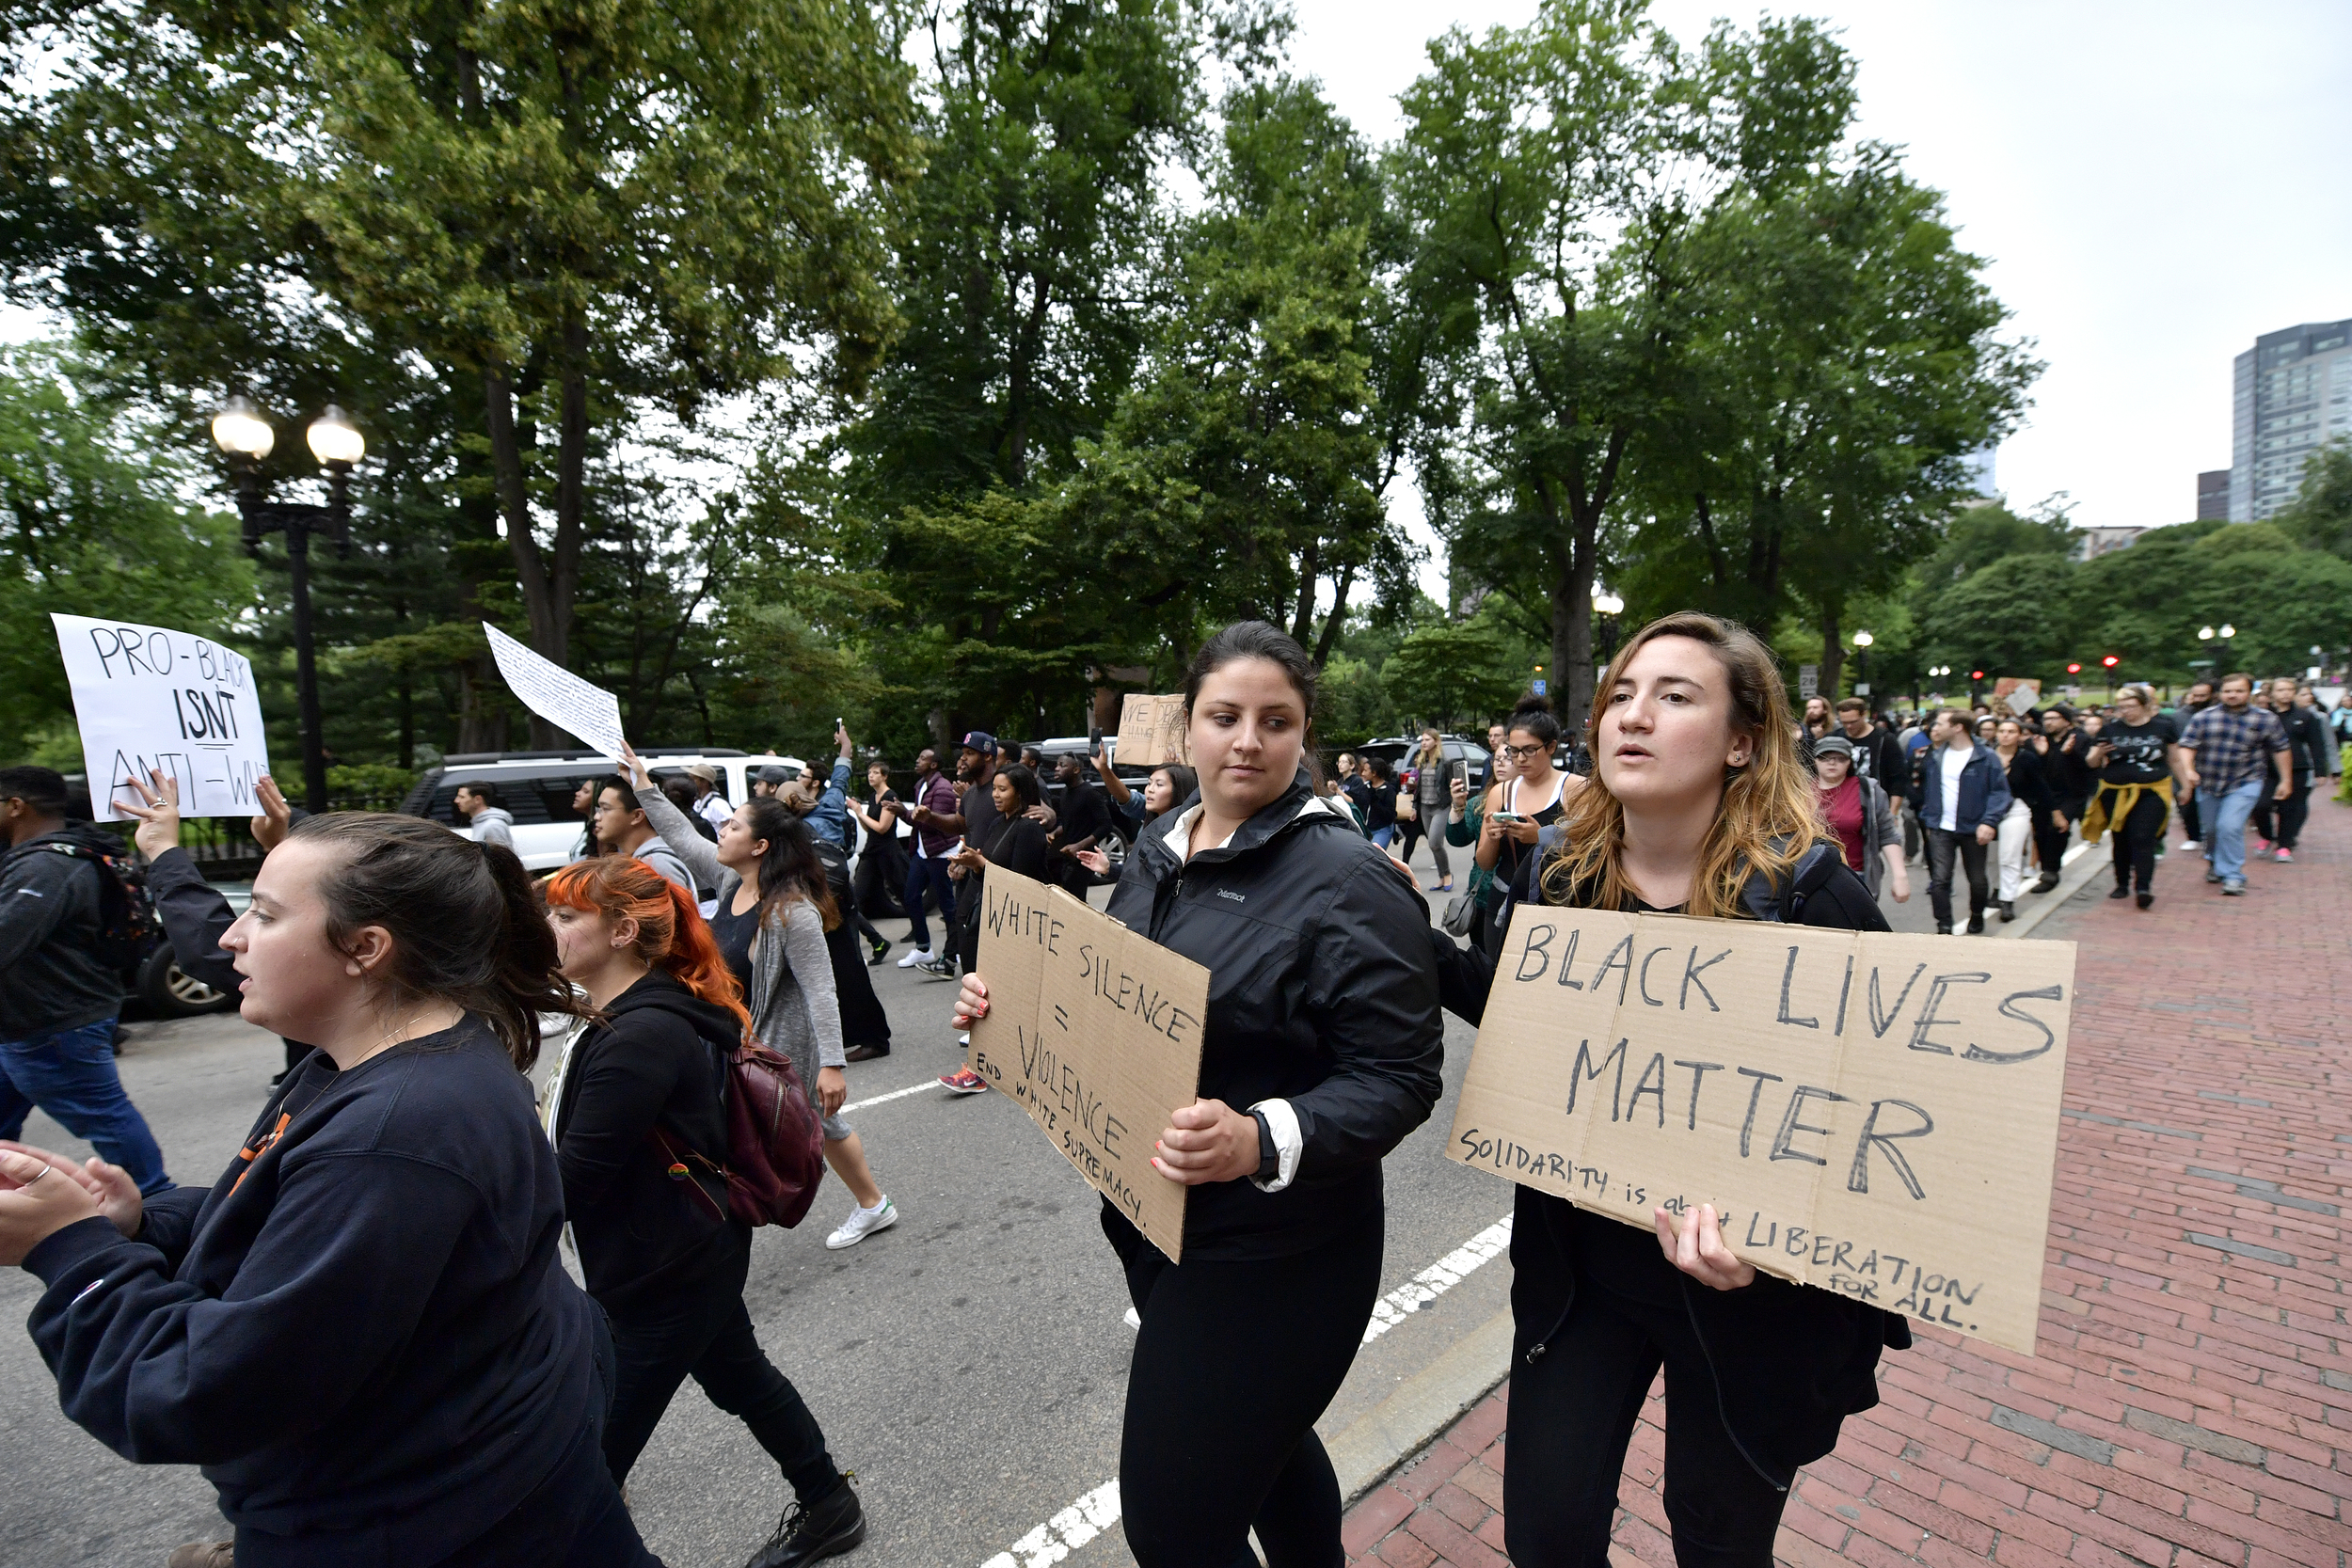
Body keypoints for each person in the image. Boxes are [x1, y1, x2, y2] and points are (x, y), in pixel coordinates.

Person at [0, 813, 661, 1568]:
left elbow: (207, 1391)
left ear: (366, 948)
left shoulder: (398, 1130)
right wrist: (136, 1220)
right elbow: (281, 1223)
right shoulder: (385, 1063)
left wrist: (71, 1250)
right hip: (485, 1484)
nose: (230, 937)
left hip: (438, 1521)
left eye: (265, 913)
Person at [953, 622, 1443, 1568]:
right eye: (1224, 716)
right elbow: (1121, 991)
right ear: (1187, 727)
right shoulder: (1156, 846)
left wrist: (1261, 1136)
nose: (1247, 740)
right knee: (1266, 1448)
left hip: (1280, 1250)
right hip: (1153, 1216)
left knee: (1175, 1528)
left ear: (1305, 732)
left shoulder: (1346, 877)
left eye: (1276, 719)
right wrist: (1005, 1001)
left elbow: (1401, 1074)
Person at [1419, 611, 1902, 1568]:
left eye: (1675, 696)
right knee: (1547, 1536)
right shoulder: (1558, 874)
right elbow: (1525, 1019)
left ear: (1741, 741)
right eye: (1621, 696)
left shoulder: (1814, 898)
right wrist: (1419, 943)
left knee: (1717, 1543)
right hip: (1582, 1277)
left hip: (1748, 1303)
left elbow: (1872, 1134)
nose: (1632, 716)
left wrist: (1770, 1251)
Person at [542, 856, 866, 1568]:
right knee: (740, 1374)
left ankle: (829, 1504)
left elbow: (567, 1184)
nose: (549, 927)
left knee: (582, 1467)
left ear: (624, 931)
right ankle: (830, 1503)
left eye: (566, 916)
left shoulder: (640, 1034)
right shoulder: (624, 1014)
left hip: (669, 1267)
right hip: (680, 1248)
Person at [627, 752, 901, 1253]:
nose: (721, 832)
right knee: (806, 1124)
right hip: (734, 1034)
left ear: (758, 846)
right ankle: (867, 1203)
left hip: (780, 1045)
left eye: (731, 827)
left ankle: (863, 1204)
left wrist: (833, 1065)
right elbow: (683, 838)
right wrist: (643, 785)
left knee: (815, 1122)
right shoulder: (732, 879)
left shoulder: (792, 912)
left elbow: (822, 989)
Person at [0, 767, 174, 1198]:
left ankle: (157, 1202)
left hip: (53, 1023)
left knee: (105, 1117)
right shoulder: (47, 858)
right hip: (28, 1022)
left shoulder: (47, 866)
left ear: (16, 806)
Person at [934, 764, 1054, 1097]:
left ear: (1021, 791)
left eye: (1003, 790)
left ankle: (980, 1069)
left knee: (992, 996)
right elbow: (984, 868)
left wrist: (981, 865)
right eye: (995, 789)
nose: (996, 795)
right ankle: (996, 1062)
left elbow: (1022, 885)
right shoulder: (995, 823)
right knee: (987, 994)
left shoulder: (1028, 829)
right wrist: (968, 865)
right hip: (985, 919)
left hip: (1014, 929)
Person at [2174, 673, 2291, 896]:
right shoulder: (2204, 717)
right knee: (2211, 829)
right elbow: (2187, 745)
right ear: (2220, 694)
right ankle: (2214, 861)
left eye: (2239, 691)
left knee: (2230, 826)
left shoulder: (2265, 719)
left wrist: (2286, 780)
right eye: (2228, 691)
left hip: (2245, 781)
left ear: (2249, 693)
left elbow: (2281, 749)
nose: (2233, 695)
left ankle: (2234, 876)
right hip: (2208, 781)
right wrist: (2189, 770)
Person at [1474, 702, 1573, 952]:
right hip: (1503, 899)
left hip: (1556, 902)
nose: (1520, 759)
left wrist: (1540, 836)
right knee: (1495, 979)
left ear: (1551, 747)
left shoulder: (1575, 789)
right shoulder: (1502, 791)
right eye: (1513, 751)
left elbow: (1593, 854)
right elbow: (1484, 863)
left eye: (1529, 750)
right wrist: (1493, 837)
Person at [2080, 683, 2185, 908]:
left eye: (2131, 706)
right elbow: (2091, 762)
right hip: (2116, 791)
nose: (2125, 711)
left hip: (2152, 789)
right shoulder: (2110, 729)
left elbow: (2174, 759)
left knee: (2143, 836)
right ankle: (2121, 883)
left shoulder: (2163, 726)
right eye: (2122, 707)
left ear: (2144, 705)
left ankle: (2143, 887)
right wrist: (2099, 752)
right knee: (2121, 838)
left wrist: (2185, 785)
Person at [1914, 707, 2012, 934]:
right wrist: (1929, 817)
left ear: (1958, 727)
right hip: (1940, 828)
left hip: (1974, 827)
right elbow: (1928, 788)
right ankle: (1944, 925)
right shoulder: (1936, 754)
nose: (1935, 728)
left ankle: (1977, 914)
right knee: (1939, 880)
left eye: (1940, 723)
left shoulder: (1985, 757)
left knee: (1977, 880)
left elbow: (2000, 793)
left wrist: (1989, 822)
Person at [1808, 733, 1908, 905]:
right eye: (1825, 757)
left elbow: (1887, 834)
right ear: (1815, 760)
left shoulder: (1868, 791)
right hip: (1809, 877)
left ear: (1849, 762)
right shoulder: (1799, 791)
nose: (1832, 763)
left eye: (1840, 758)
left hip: (1856, 876)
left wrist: (1900, 876)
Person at [897, 748, 960, 971]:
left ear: (934, 765)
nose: (917, 760)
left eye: (923, 758)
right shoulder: (921, 786)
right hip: (923, 853)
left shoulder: (942, 789)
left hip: (940, 853)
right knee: (911, 897)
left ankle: (955, 950)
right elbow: (919, 820)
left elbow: (934, 823)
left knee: (947, 905)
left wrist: (902, 812)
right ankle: (923, 948)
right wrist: (904, 812)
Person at [2256, 675, 2332, 863]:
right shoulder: (2263, 715)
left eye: (2289, 690)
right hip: (2266, 768)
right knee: (2260, 805)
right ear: (2272, 693)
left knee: (2289, 808)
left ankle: (2284, 845)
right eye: (2281, 690)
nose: (2285, 693)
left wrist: (2320, 771)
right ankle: (2267, 835)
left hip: (2296, 768)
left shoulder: (2305, 716)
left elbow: (2317, 744)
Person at [596, 775, 695, 895]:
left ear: (637, 816)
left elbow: (674, 912)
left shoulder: (657, 864)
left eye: (606, 809)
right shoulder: (641, 859)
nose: (597, 817)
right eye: (598, 809)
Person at [847, 760, 909, 953]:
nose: (870, 776)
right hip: (871, 851)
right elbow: (869, 826)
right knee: (858, 893)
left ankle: (918, 927)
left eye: (875, 773)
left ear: (884, 776)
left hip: (888, 851)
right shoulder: (873, 796)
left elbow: (882, 828)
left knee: (901, 890)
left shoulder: (890, 796)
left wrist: (859, 812)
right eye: (869, 773)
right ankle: (862, 938)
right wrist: (859, 814)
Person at [1991, 717, 2048, 920]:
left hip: (2016, 809)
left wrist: (2047, 813)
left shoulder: (2027, 759)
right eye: (2002, 731)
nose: (2005, 735)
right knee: (1990, 857)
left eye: (2011, 731)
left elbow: (2040, 788)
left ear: (2019, 736)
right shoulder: (1986, 756)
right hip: (1987, 810)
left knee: (2010, 856)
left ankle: (2007, 900)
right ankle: (1996, 889)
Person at [2029, 706, 2091, 892]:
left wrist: (2070, 754)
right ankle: (2046, 867)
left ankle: (2050, 872)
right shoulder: (2041, 740)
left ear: (2066, 721)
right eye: (2046, 719)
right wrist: (2042, 754)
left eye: (2054, 718)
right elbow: (2037, 771)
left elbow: (2087, 768)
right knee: (2041, 832)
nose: (2048, 722)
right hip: (2045, 793)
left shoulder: (2080, 739)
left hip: (2071, 794)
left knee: (2057, 828)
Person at [1046, 751, 1114, 897]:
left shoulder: (1090, 793)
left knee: (1076, 901)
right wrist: (1053, 834)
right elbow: (1067, 822)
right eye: (1057, 765)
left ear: (1076, 770)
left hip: (1083, 858)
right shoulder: (1065, 792)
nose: (1056, 768)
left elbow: (1106, 825)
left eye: (1062, 765)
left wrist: (1079, 846)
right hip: (1067, 857)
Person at [787, 725, 857, 852]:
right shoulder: (832, 801)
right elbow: (840, 779)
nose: (797, 778)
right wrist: (846, 744)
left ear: (815, 783)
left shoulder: (794, 816)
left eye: (802, 776)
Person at [2170, 680, 2217, 849]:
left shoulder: (2219, 714)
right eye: (2195, 695)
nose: (2198, 699)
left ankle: (2211, 835)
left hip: (2213, 765)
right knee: (2186, 802)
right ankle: (2193, 836)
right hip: (2185, 764)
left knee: (2211, 803)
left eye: (2203, 695)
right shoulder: (2179, 716)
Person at [1408, 730, 1455, 893]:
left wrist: (1455, 805)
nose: (1424, 742)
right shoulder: (1422, 761)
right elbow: (1418, 789)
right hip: (1424, 807)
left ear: (1436, 741)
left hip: (1440, 807)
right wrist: (1415, 807)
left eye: (1427, 739)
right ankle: (1442, 877)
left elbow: (1451, 785)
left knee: (1434, 842)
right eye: (1422, 740)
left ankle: (1448, 874)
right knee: (1434, 845)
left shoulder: (1445, 762)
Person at [453, 780, 516, 851]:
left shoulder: (493, 825)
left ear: (477, 799)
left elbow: (503, 858)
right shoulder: (479, 822)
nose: (456, 801)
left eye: (462, 797)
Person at [1359, 754, 1400, 849]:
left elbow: (1389, 815)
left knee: (1374, 852)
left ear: (1374, 773)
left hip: (1382, 829)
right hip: (1366, 830)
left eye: (1366, 770)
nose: (1363, 774)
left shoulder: (1388, 790)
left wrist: (1375, 800)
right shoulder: (1366, 787)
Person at [683, 763, 735, 834]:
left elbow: (731, 829)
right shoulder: (698, 803)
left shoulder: (717, 804)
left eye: (693, 779)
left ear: (704, 782)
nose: (689, 782)